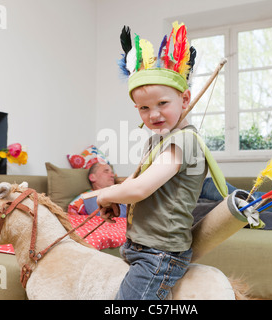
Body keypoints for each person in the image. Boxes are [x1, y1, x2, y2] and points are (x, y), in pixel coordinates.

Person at [95, 23, 208, 300]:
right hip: (139, 245)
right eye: (144, 108)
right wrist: (114, 198)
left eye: (162, 104)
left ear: (185, 99)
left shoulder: (184, 141)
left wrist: (104, 194)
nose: (153, 114)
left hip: (160, 253)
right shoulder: (157, 140)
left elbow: (139, 190)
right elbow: (134, 183)